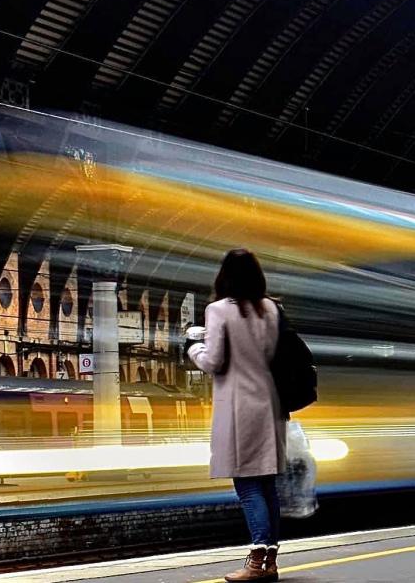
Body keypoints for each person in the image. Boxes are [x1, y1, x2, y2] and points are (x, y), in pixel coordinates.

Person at [188, 249, 285, 583]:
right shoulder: (272, 308)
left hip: (238, 406)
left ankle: (257, 561)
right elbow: (272, 355)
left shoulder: (217, 310)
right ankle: (270, 560)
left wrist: (194, 347)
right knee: (267, 484)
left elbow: (214, 361)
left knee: (247, 485)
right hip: (269, 403)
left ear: (224, 275)